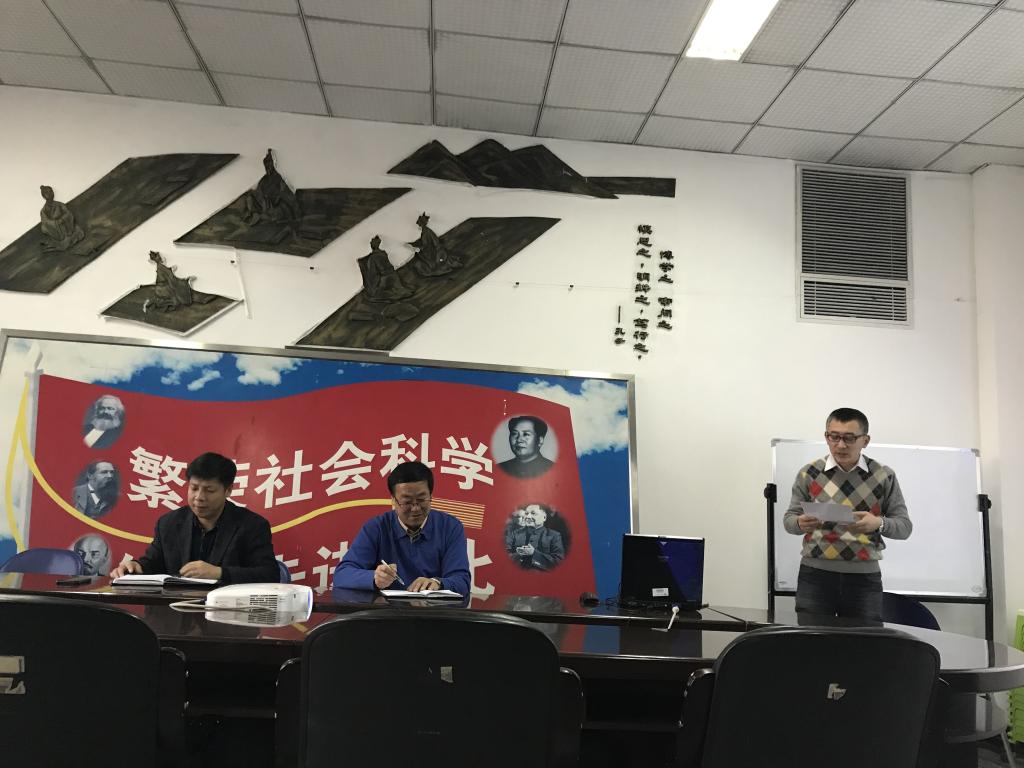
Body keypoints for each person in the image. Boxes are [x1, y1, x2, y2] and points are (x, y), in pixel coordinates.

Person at [784, 407, 912, 621]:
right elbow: (789, 520)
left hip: (864, 579)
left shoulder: (883, 475)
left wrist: (878, 523)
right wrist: (799, 523)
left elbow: (904, 527)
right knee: (811, 639)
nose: (840, 445)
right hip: (815, 576)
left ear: (865, 440)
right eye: (834, 437)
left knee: (863, 640)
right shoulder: (809, 473)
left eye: (849, 438)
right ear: (826, 437)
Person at [110, 452, 279, 584]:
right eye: (194, 488)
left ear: (228, 490)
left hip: (227, 613)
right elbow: (152, 563)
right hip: (174, 611)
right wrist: (135, 567)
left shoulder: (252, 526)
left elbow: (269, 574)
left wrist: (219, 573)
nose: (199, 497)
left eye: (209, 490)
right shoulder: (169, 523)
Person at [334, 461, 471, 594]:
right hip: (385, 608)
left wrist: (438, 583)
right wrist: (374, 577)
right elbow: (341, 575)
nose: (415, 508)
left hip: (433, 608)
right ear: (393, 500)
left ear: (431, 496)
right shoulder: (376, 528)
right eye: (407, 502)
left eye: (421, 499)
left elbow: (462, 580)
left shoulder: (450, 527)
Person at [143, 250, 215, 313]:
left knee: (181, 289)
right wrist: (184, 280)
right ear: (160, 259)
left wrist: (172, 270)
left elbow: (168, 275)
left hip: (161, 289)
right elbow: (172, 279)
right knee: (181, 289)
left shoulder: (160, 267)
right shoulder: (162, 267)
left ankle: (201, 298)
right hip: (164, 290)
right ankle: (201, 299)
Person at [506, 503, 565, 571]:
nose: (528, 517)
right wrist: (519, 555)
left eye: (533, 513)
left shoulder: (554, 535)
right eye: (526, 513)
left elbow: (558, 561)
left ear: (544, 517)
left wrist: (534, 553)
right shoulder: (515, 534)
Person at [358, 235, 415, 303]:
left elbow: (372, 273)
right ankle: (400, 292)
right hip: (393, 275)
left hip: (385, 279)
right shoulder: (383, 253)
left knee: (377, 292)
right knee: (398, 289)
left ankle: (397, 294)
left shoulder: (372, 258)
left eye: (371, 243)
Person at [39, 184, 85, 252]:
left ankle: (68, 238)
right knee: (44, 228)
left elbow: (68, 214)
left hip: (66, 227)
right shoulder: (43, 211)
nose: (50, 194)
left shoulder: (59, 204)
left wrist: (62, 219)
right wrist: (56, 223)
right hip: (55, 230)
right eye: (47, 193)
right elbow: (46, 222)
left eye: (51, 191)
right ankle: (61, 241)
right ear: (43, 196)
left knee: (78, 233)